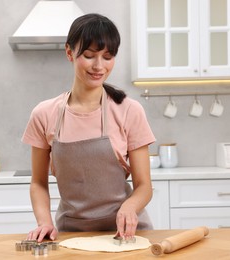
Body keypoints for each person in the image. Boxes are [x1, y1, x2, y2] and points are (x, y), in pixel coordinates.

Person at [22, 13, 156, 242]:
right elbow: (38, 182)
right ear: (69, 52)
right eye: (89, 55)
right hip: (70, 236)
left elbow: (144, 186)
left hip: (126, 234)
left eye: (107, 56)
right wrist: (44, 222)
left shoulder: (129, 111)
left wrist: (130, 207)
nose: (98, 66)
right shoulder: (44, 114)